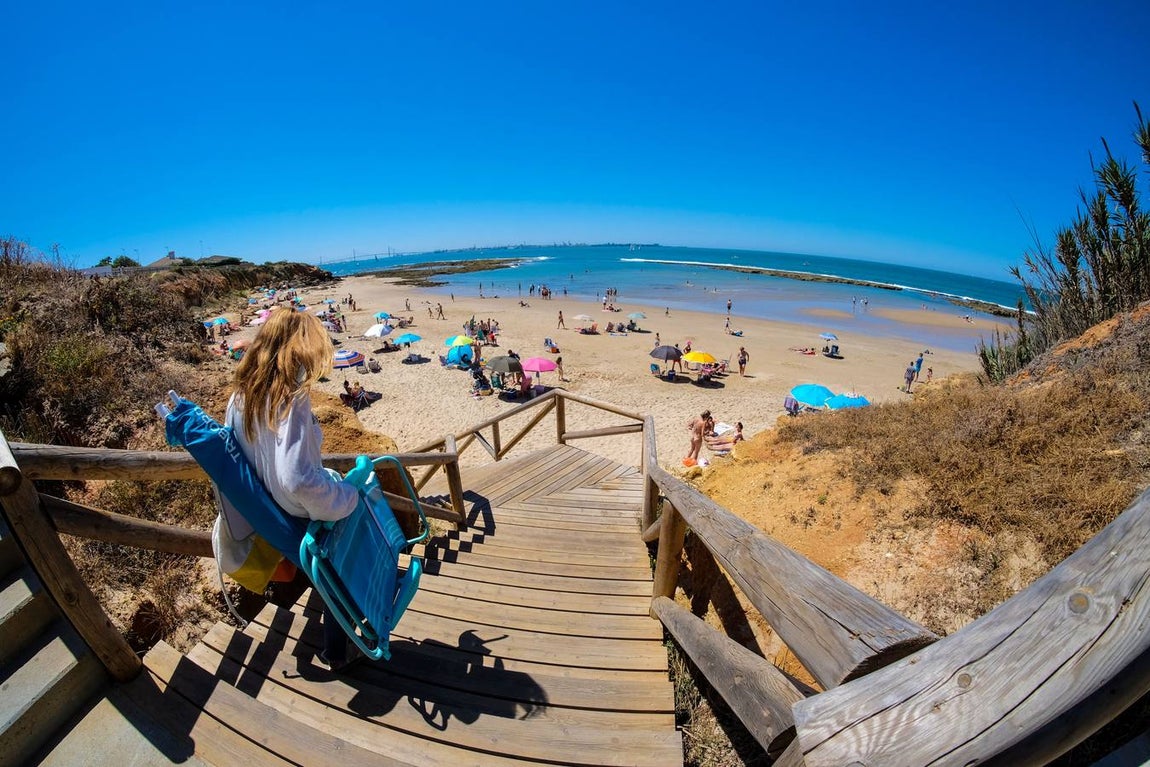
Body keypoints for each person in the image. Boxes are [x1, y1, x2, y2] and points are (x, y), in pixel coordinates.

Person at [228, 309, 362, 671]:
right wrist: (346, 499)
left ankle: (340, 639)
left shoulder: (240, 398)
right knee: (354, 527)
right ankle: (342, 646)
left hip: (267, 513)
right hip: (295, 514)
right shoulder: (290, 397)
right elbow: (299, 479)